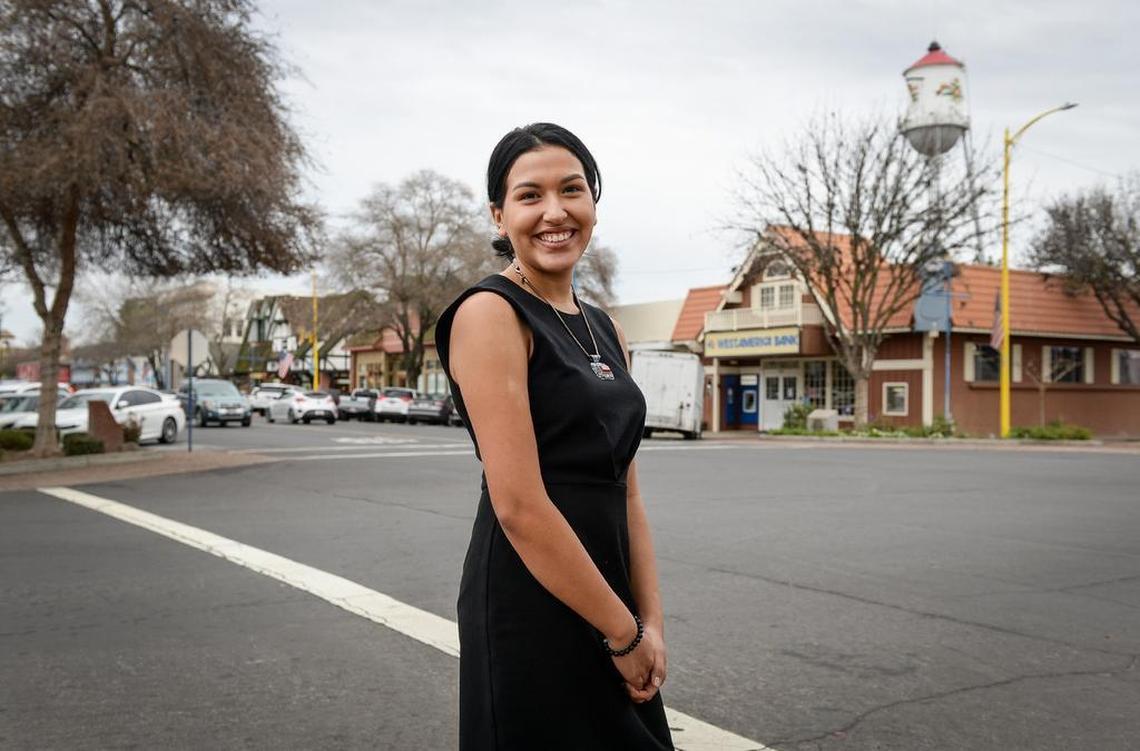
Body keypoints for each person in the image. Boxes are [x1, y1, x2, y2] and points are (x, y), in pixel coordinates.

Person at [434, 123, 674, 750]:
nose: (554, 212)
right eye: (529, 195)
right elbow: (518, 505)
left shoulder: (606, 328)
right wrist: (622, 634)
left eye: (572, 190)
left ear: (593, 202)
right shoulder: (490, 313)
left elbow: (626, 493)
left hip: (609, 595)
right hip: (530, 601)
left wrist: (650, 620)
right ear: (499, 213)